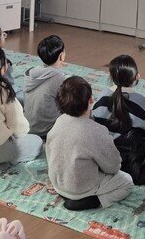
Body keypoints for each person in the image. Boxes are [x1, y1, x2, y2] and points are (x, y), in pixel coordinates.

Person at [46, 76, 133, 210]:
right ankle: (94, 201)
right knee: (127, 181)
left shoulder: (59, 121)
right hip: (81, 188)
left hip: (58, 183)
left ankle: (71, 196)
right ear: (90, 100)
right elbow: (113, 167)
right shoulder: (96, 130)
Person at [91, 55, 145, 184]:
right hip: (128, 156)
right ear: (137, 77)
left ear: (111, 77)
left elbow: (95, 120)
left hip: (103, 153)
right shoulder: (140, 100)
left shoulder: (103, 94)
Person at [23, 35, 67, 138]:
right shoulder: (59, 78)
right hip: (47, 130)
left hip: (28, 126)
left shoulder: (32, 72)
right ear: (61, 56)